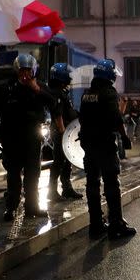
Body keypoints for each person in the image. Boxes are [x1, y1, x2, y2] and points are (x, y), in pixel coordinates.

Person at [0, 54, 53, 221]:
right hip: (11, 137)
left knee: (33, 174)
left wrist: (36, 89)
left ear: (34, 71)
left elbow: (52, 102)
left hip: (32, 137)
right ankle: (11, 207)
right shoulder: (7, 88)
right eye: (22, 71)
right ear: (17, 71)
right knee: (13, 175)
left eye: (28, 71)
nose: (25, 75)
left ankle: (32, 206)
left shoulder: (40, 87)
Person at [79, 58, 136, 240]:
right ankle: (116, 224)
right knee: (111, 183)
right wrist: (125, 137)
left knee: (92, 184)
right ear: (110, 75)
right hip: (104, 144)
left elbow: (82, 120)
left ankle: (95, 225)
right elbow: (116, 119)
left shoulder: (87, 93)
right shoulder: (109, 93)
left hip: (88, 145)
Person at [47, 63, 83, 201]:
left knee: (67, 161)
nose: (70, 77)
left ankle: (67, 189)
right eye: (68, 75)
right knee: (59, 162)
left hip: (66, 131)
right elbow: (58, 114)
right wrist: (62, 132)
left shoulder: (62, 91)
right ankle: (52, 191)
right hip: (61, 131)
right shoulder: (56, 93)